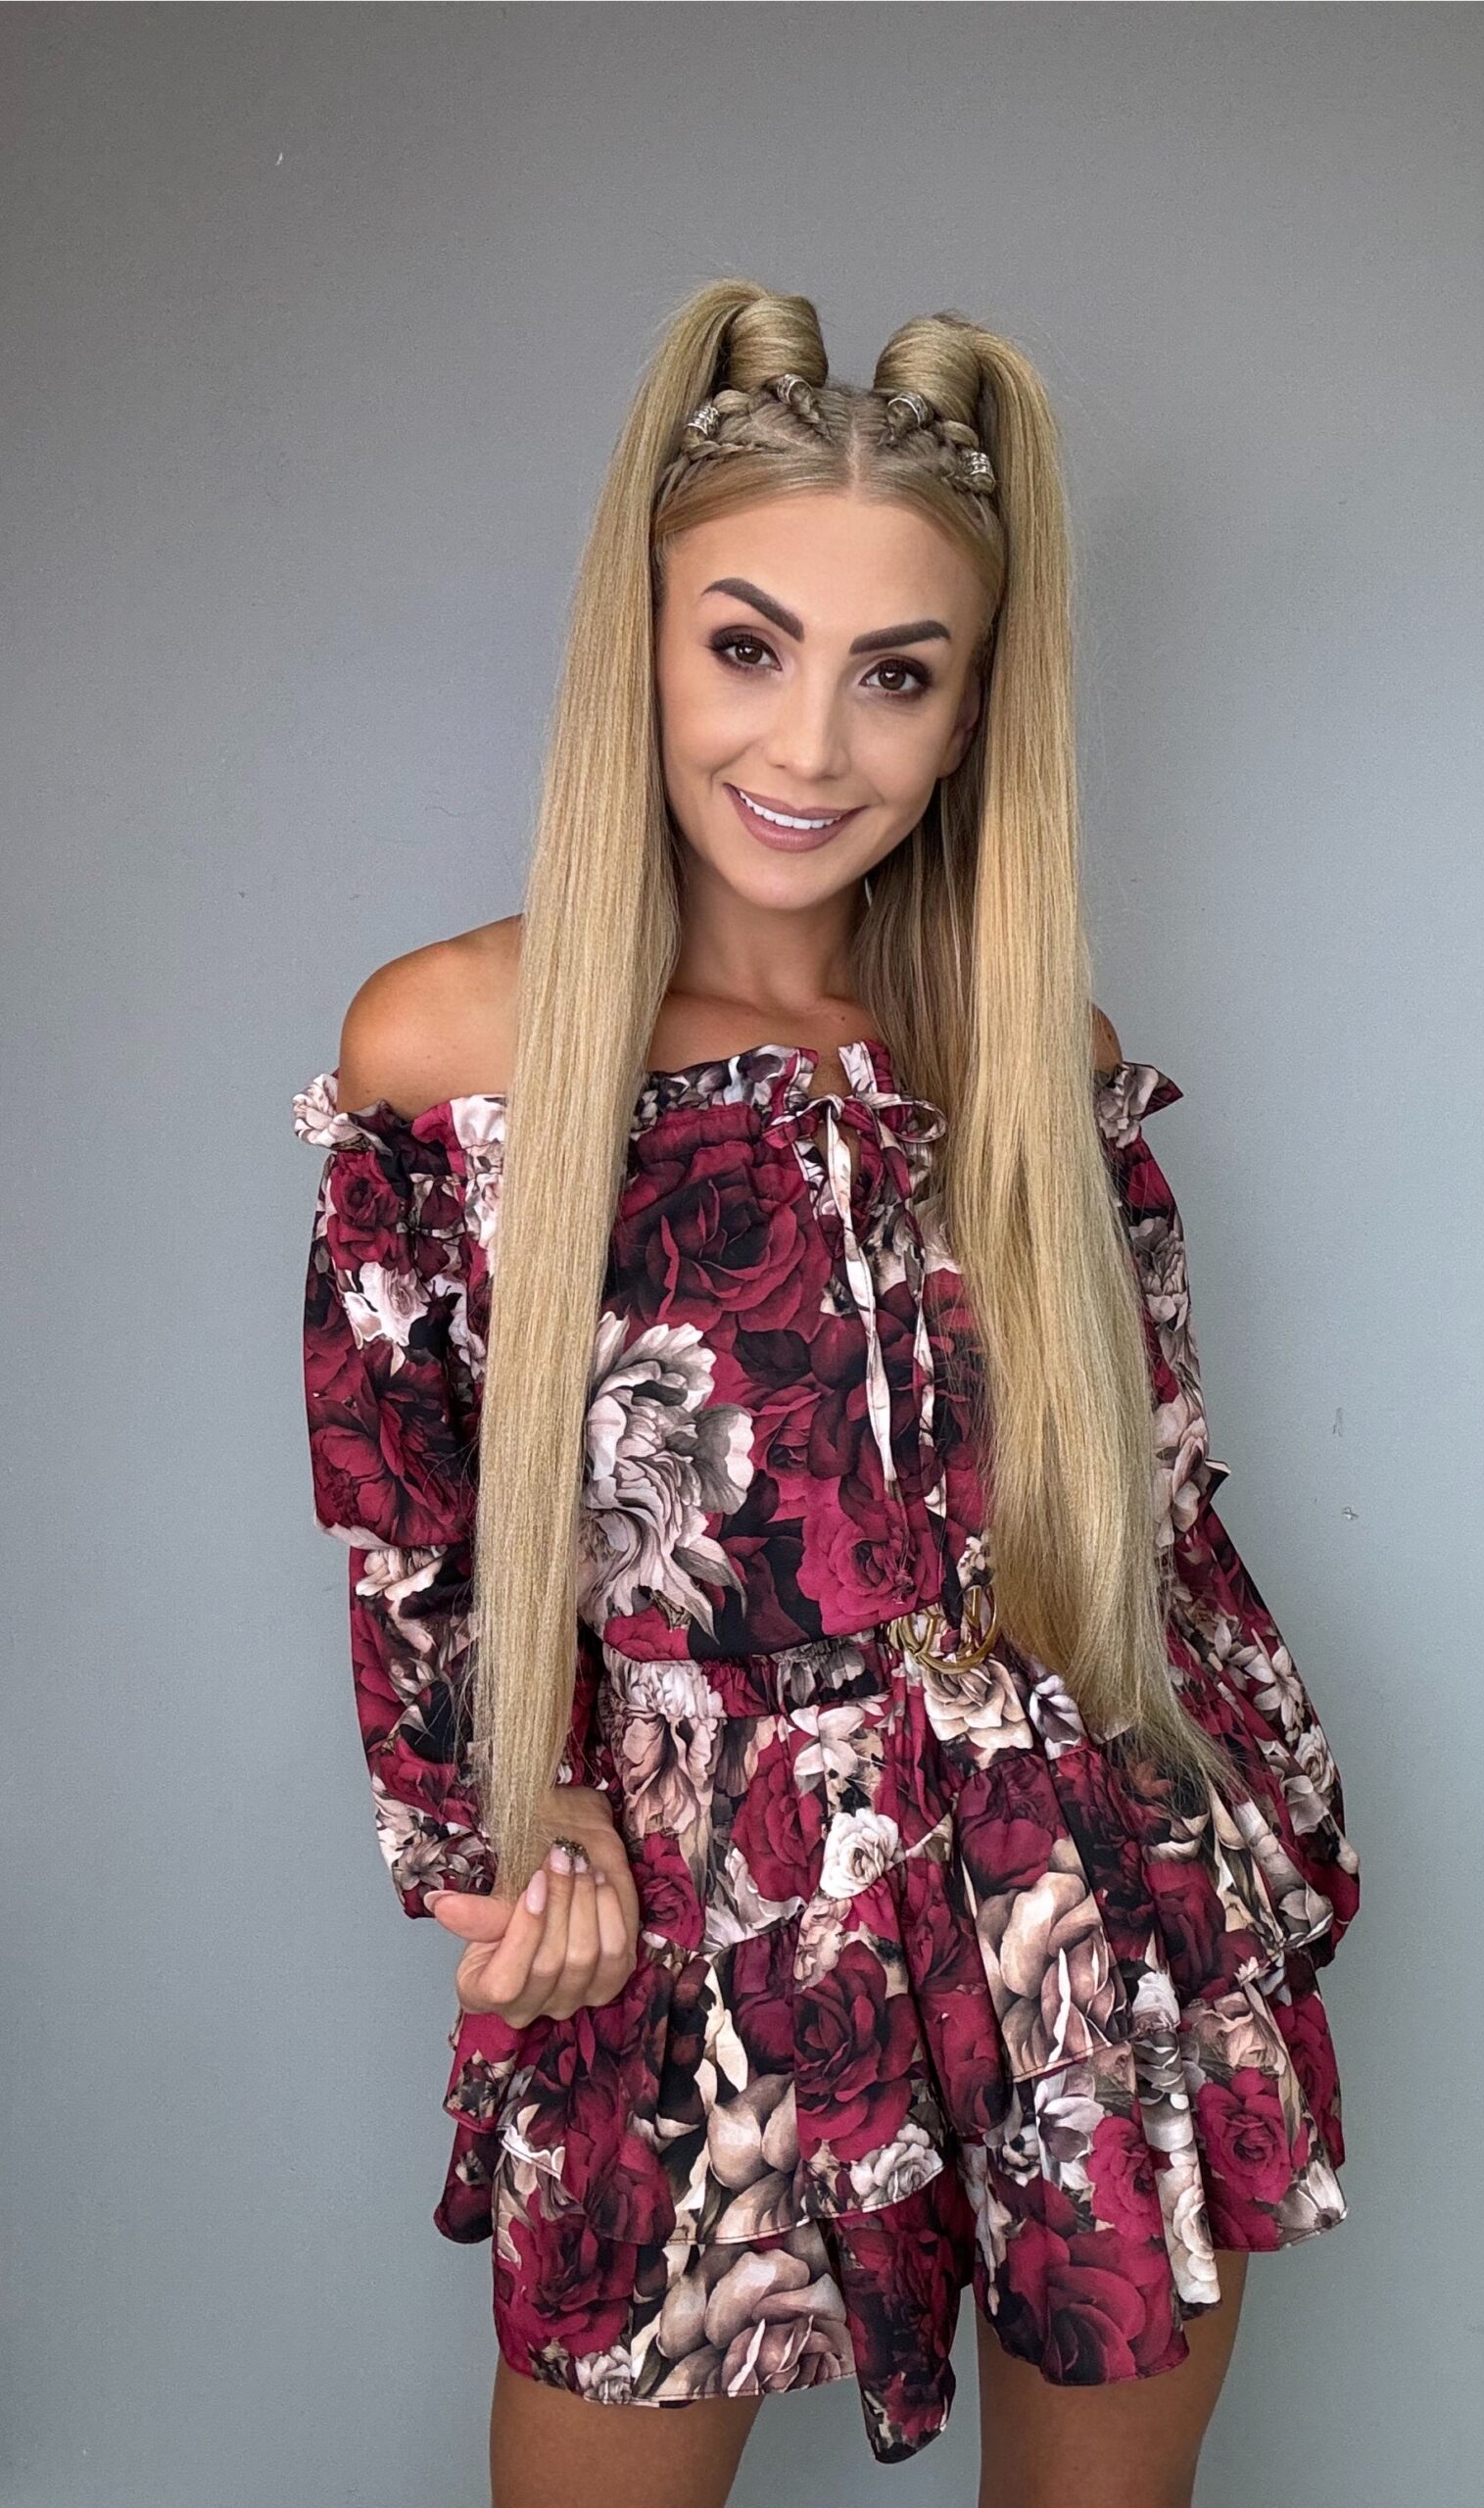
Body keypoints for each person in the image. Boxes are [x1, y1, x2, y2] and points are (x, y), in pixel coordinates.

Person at [292, 279, 1361, 2508]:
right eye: (746, 646)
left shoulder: (1029, 1058)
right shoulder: (454, 1054)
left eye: (896, 674)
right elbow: (417, 1540)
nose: (807, 748)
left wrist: (1238, 1853)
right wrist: (521, 1829)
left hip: (1087, 1903)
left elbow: (1157, 1519)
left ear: (971, 715)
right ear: (643, 645)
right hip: (689, 1919)